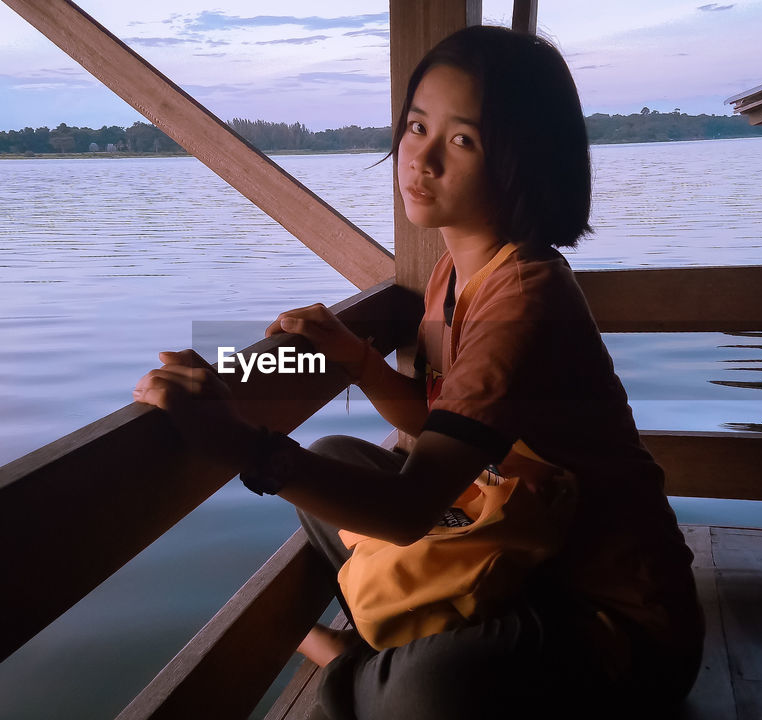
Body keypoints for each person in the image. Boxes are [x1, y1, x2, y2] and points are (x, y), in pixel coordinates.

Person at [133, 25, 703, 720]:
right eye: (415, 126)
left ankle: (356, 671)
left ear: (523, 161)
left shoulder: (525, 299)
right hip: (510, 562)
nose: (420, 158)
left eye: (462, 140)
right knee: (337, 458)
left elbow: (408, 512)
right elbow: (433, 422)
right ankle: (376, 670)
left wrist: (240, 443)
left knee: (431, 690)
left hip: (614, 626)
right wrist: (357, 358)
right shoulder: (454, 272)